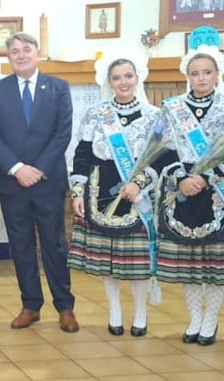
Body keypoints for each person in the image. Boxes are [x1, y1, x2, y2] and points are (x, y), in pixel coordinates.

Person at [155, 41, 224, 346]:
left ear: (218, 73)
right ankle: (195, 317)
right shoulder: (172, 108)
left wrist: (205, 177)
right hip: (181, 188)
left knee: (214, 261)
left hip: (216, 189)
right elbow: (162, 149)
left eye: (208, 72)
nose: (202, 78)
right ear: (188, 75)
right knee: (190, 261)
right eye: (195, 73)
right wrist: (182, 177)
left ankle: (211, 320)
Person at [0, 32, 79, 332]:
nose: (21, 55)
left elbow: (63, 133)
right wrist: (16, 168)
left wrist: (37, 169)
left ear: (38, 53)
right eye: (14, 51)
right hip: (13, 183)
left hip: (48, 181)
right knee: (21, 246)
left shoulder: (58, 88)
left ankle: (65, 307)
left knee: (54, 245)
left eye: (27, 49)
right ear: (8, 58)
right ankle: (30, 305)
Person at [68, 49, 162, 337]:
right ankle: (115, 311)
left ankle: (141, 314)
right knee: (108, 261)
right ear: (108, 81)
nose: (123, 82)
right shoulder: (97, 114)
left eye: (128, 76)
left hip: (138, 194)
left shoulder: (153, 116)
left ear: (137, 78)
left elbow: (162, 157)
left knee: (136, 262)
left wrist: (141, 182)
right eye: (116, 77)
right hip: (101, 194)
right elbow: (82, 155)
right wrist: (76, 192)